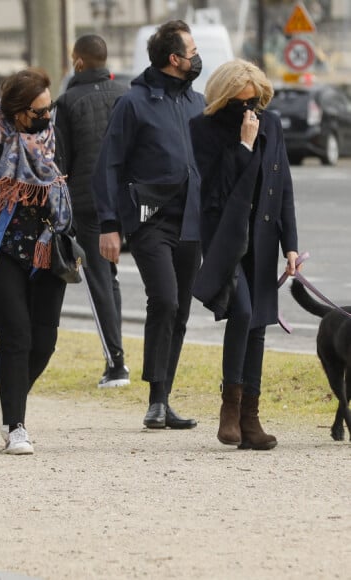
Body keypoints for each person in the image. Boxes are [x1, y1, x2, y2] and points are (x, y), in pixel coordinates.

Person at [92, 20, 203, 431]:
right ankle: (155, 399)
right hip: (149, 221)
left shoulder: (198, 102)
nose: (196, 58)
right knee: (166, 301)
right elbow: (108, 166)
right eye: (192, 52)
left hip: (192, 222)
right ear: (174, 59)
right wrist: (109, 224)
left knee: (181, 312)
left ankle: (164, 400)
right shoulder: (133, 103)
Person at [189, 59, 300, 450]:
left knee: (258, 324)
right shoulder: (202, 128)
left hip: (264, 237)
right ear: (223, 98)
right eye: (240, 103)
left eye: (254, 102)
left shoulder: (271, 124)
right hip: (224, 236)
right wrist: (244, 145)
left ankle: (250, 418)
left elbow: (282, 185)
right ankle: (230, 409)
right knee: (242, 311)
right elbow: (214, 190)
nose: (249, 111)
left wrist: (291, 244)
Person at [0, 68, 69, 455]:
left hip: (47, 251)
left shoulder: (57, 140)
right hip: (0, 252)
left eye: (49, 107)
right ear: (19, 111)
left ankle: (10, 392)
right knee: (17, 337)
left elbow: (75, 187)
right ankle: (15, 426)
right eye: (39, 111)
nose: (46, 116)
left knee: (46, 341)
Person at [54, 34, 130, 389]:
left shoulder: (68, 101)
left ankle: (115, 364)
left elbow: (61, 161)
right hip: (125, 201)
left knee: (99, 280)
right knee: (110, 278)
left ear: (79, 61)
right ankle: (119, 358)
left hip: (87, 205)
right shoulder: (125, 95)